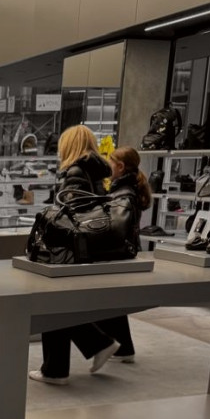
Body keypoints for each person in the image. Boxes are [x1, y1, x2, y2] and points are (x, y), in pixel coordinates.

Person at [29, 125, 120, 385]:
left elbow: (70, 215)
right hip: (89, 247)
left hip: (71, 249)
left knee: (53, 305)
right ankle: (70, 360)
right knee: (59, 305)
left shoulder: (76, 172)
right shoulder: (95, 171)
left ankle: (60, 366)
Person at [96, 146, 152, 363]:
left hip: (118, 254)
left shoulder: (123, 194)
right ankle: (123, 348)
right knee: (112, 302)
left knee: (106, 302)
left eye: (110, 162)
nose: (107, 166)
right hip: (124, 252)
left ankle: (115, 346)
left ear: (119, 167)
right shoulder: (126, 190)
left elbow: (116, 228)